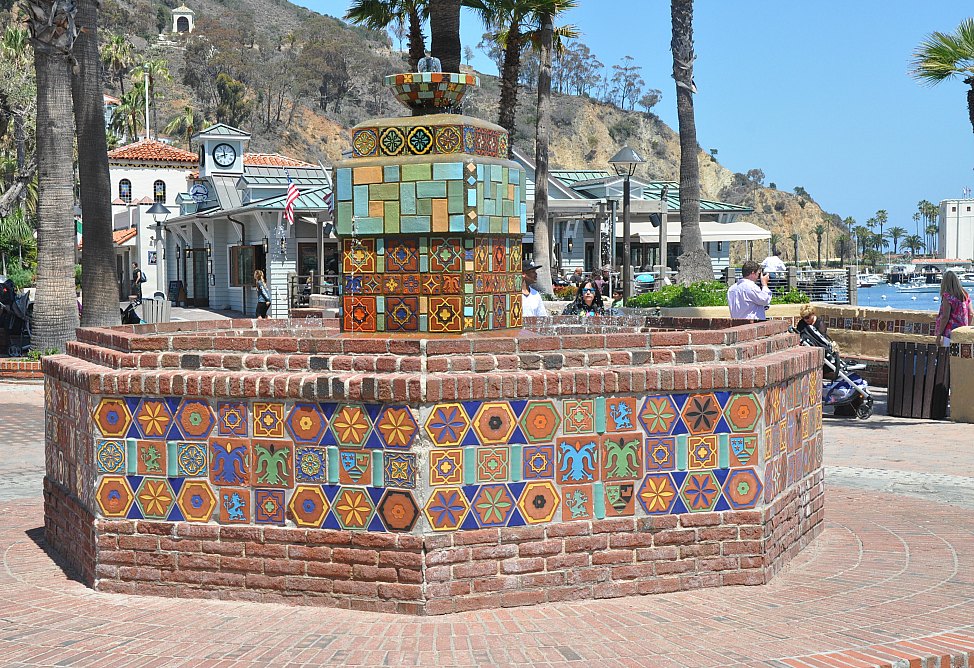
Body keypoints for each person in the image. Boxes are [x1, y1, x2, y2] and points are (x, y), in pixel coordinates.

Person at [935, 270, 974, 347]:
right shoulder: (965, 295)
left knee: (946, 357)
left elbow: (945, 317)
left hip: (949, 334)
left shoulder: (947, 296)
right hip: (962, 332)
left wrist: (939, 334)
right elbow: (971, 313)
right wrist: (965, 328)